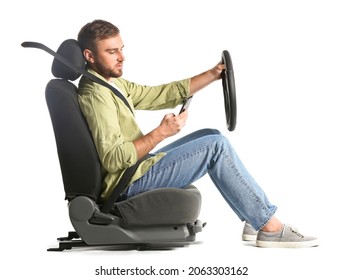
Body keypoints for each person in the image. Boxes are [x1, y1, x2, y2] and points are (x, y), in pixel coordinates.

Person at [77, 19, 319, 248]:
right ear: (89, 55)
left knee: (209, 134)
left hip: (136, 169)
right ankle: (269, 227)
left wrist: (213, 75)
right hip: (128, 183)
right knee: (215, 146)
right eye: (112, 52)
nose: (122, 57)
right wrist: (161, 133)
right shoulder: (96, 94)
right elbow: (113, 158)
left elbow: (157, 94)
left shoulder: (110, 82)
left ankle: (253, 217)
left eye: (121, 49)